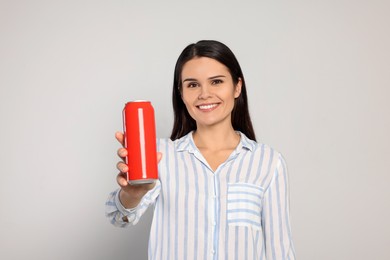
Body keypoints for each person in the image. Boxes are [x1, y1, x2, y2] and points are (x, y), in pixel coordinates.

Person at [106, 40, 296, 260]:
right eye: (193, 84)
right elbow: (118, 217)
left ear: (237, 86)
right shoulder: (160, 156)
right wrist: (132, 194)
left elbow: (280, 252)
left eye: (216, 81)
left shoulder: (268, 163)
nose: (204, 94)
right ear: (181, 93)